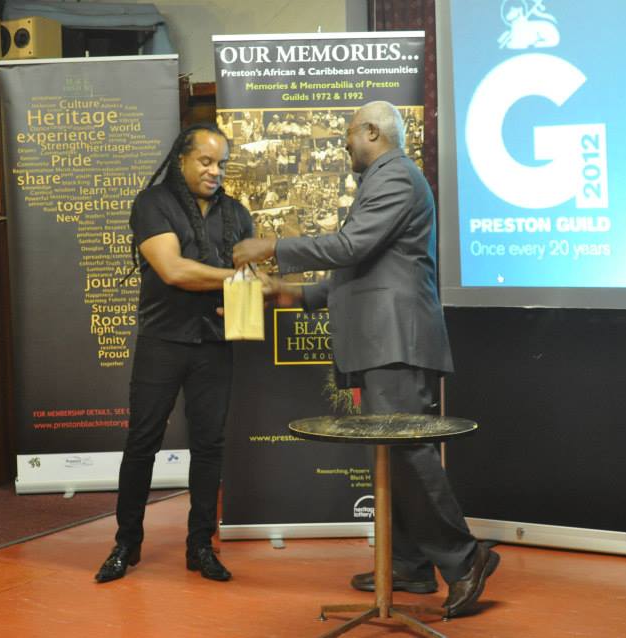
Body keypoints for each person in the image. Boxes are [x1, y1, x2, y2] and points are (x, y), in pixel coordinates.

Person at [232, 101, 499, 618]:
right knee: (393, 454)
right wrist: (290, 293)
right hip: (382, 341)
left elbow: (351, 246)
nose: (345, 143)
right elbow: (359, 270)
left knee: (408, 452)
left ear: (373, 131)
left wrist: (273, 246)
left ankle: (467, 559)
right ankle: (409, 564)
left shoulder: (394, 175)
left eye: (350, 133)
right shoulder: (381, 181)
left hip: (395, 340)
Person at [95, 123, 254, 584]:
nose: (214, 171)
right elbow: (172, 269)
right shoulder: (152, 203)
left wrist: (249, 292)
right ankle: (126, 543)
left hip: (215, 343)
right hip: (163, 340)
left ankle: (200, 545)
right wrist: (234, 279)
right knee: (142, 441)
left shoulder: (237, 213)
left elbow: (249, 281)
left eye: (221, 164)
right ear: (182, 159)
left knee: (209, 446)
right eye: (205, 161)